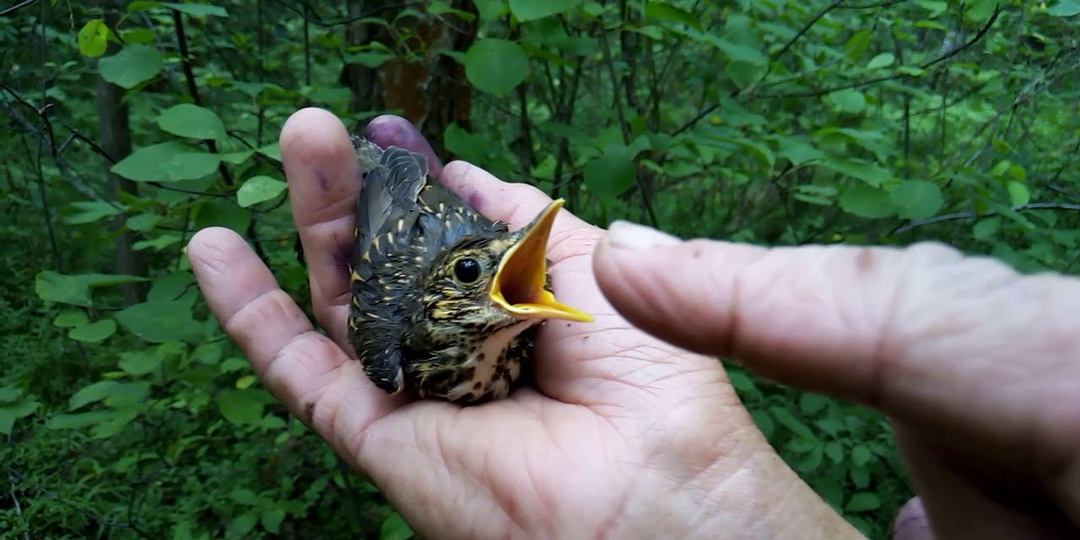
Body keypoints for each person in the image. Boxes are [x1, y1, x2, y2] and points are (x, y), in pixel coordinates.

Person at [187, 108, 1080, 539]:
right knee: (396, 187)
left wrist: (712, 499)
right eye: (471, 275)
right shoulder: (391, 346)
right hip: (412, 226)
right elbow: (417, 246)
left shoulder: (528, 329)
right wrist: (393, 178)